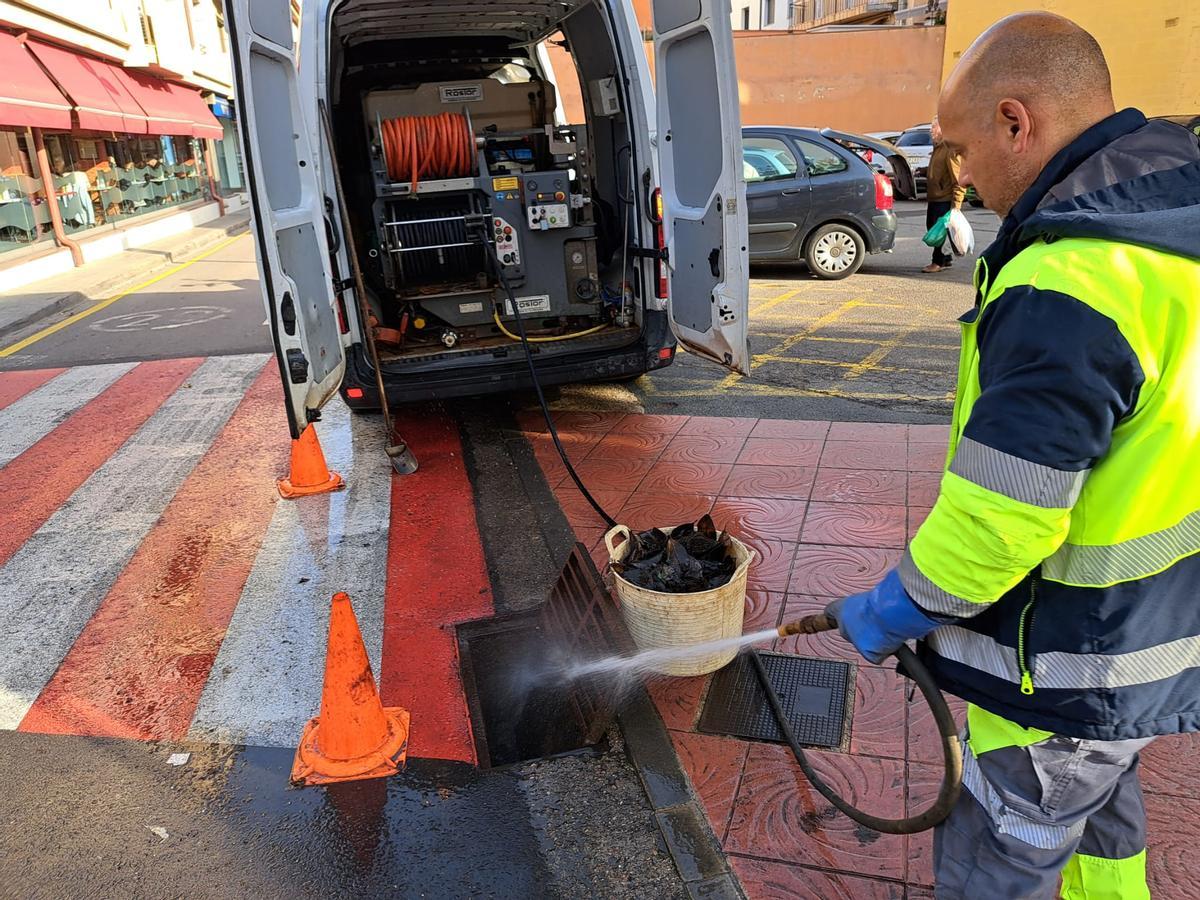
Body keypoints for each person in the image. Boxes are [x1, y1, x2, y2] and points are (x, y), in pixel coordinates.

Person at [825, 12, 1200, 898]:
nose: (954, 176)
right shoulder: (1170, 220)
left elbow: (1002, 520)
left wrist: (896, 607)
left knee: (1000, 862)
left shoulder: (1072, 280)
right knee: (1104, 837)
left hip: (1064, 663)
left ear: (1015, 121)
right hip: (1145, 645)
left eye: (956, 148)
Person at [922, 117, 966, 273]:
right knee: (935, 228)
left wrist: (956, 206)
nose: (930, 130)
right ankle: (946, 259)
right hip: (936, 197)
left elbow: (958, 179)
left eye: (933, 127)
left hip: (944, 199)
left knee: (937, 232)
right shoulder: (938, 147)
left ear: (943, 129)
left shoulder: (949, 150)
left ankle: (937, 262)